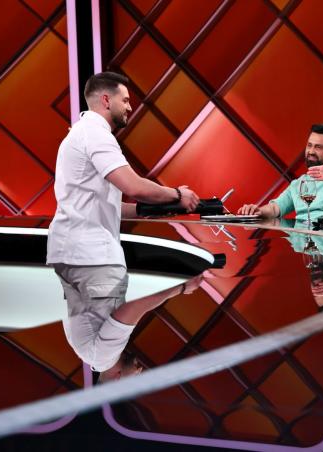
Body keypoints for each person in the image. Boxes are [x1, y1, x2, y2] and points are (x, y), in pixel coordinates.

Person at [47, 71, 200, 270]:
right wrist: (178, 194)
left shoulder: (83, 131)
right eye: (125, 100)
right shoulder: (96, 134)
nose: (129, 107)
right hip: (90, 254)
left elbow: (103, 204)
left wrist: (154, 208)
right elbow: (134, 187)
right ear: (106, 100)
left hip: (74, 252)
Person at [58, 267, 203, 382]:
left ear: (117, 379)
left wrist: (183, 288)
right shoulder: (93, 356)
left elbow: (135, 306)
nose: (139, 371)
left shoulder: (103, 356)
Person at [238, 124, 323, 222]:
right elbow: (274, 209)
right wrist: (257, 211)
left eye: (318, 147)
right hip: (303, 247)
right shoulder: (298, 184)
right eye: (309, 145)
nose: (311, 151)